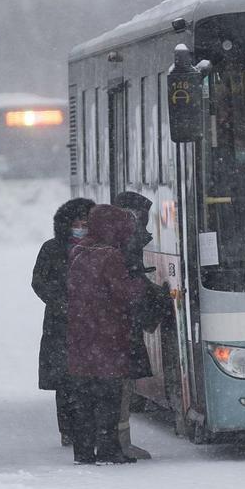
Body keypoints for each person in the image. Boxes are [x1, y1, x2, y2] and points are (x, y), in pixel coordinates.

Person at [67, 204, 147, 465]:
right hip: (107, 336)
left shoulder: (79, 250)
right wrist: (139, 286)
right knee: (109, 397)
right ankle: (109, 449)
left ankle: (83, 451)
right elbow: (123, 293)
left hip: (81, 336)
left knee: (84, 399)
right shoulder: (110, 255)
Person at [31, 197, 95, 448]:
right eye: (77, 223)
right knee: (65, 378)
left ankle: (89, 424)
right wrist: (60, 302)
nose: (81, 227)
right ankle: (67, 428)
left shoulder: (99, 247)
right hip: (61, 322)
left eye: (86, 223)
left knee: (89, 376)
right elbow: (38, 281)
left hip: (92, 322)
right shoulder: (52, 248)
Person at [113, 191, 171, 459]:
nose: (140, 223)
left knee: (120, 386)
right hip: (118, 328)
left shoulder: (121, 242)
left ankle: (117, 442)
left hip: (119, 326)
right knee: (118, 387)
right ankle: (118, 444)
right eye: (135, 216)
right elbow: (127, 285)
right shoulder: (118, 247)